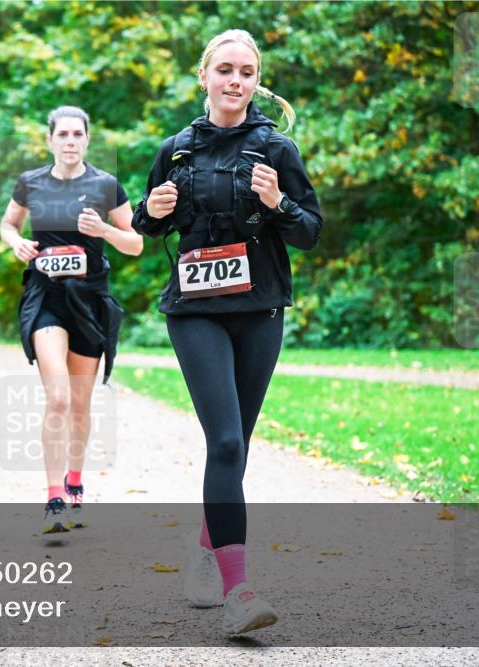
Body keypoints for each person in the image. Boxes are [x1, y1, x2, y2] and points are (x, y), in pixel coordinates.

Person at [132, 29, 323, 635]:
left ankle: (206, 550)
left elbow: (311, 230)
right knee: (227, 444)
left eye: (246, 71)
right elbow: (144, 224)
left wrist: (278, 205)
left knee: (235, 442)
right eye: (224, 70)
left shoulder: (277, 148)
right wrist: (151, 212)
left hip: (260, 308)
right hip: (196, 311)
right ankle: (240, 591)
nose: (235, 80)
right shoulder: (177, 150)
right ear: (204, 76)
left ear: (255, 79)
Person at [0, 105, 143, 535]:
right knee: (58, 397)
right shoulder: (30, 183)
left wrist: (102, 232)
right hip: (46, 297)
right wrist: (17, 244)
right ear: (50, 140)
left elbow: (135, 243)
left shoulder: (105, 185)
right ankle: (53, 499)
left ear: (86, 139)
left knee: (80, 404)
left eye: (77, 134)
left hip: (89, 300)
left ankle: (75, 483)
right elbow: (8, 225)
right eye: (62, 134)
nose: (69, 142)